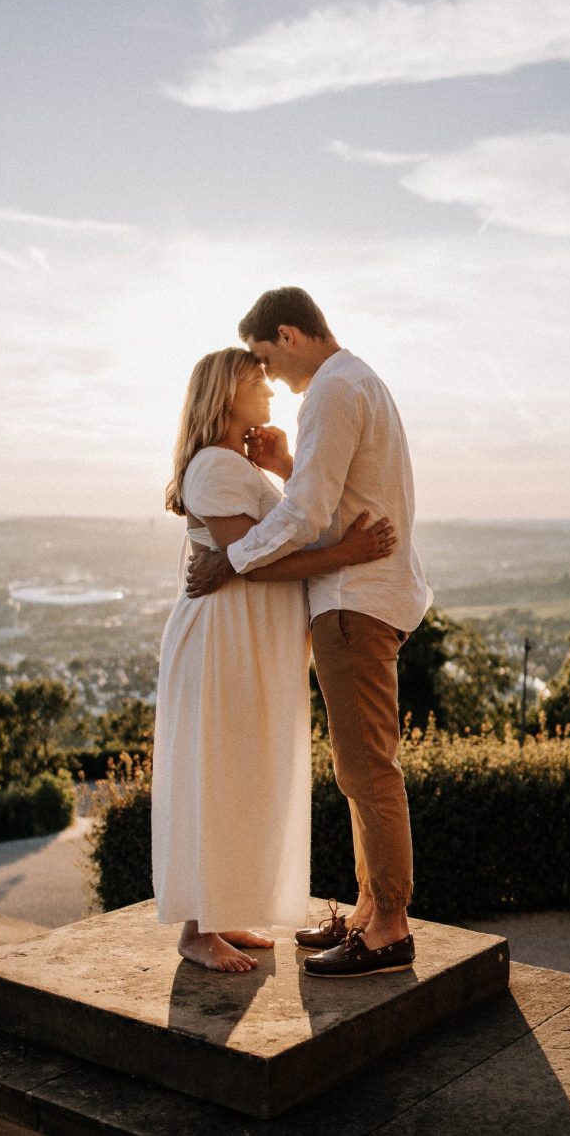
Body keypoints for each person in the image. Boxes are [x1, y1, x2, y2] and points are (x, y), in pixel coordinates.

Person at [187, 289, 431, 978]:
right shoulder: (359, 380)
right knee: (359, 767)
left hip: (354, 601)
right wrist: (289, 469)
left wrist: (228, 558)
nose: (268, 374)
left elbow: (305, 516)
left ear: (289, 335)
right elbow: (333, 497)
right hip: (366, 597)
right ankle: (365, 909)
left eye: (266, 356)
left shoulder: (328, 390)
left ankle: (388, 926)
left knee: (367, 768)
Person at [152, 347, 395, 973]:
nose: (265, 382)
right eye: (252, 376)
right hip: (220, 640)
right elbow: (258, 561)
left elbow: (279, 534)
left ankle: (221, 911)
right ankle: (195, 931)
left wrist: (284, 468)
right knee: (216, 771)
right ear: (223, 392)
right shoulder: (212, 466)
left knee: (241, 774)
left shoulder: (237, 465)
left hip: (246, 639)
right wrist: (349, 551)